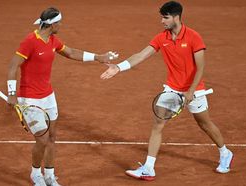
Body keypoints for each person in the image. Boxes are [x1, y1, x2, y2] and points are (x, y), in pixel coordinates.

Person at [100, 1, 233, 181]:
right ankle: (149, 168)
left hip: (194, 90)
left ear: (176, 17)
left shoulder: (194, 37)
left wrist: (190, 91)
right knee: (158, 124)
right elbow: (140, 55)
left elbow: (200, 68)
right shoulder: (161, 38)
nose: (162, 21)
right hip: (172, 90)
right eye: (162, 17)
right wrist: (119, 67)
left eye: (165, 17)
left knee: (204, 124)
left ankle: (225, 153)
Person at [7, 7, 118, 186]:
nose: (61, 25)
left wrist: (98, 57)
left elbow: (71, 52)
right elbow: (12, 66)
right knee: (42, 139)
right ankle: (36, 174)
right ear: (52, 24)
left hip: (48, 96)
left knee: (51, 137)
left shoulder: (52, 40)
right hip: (30, 98)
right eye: (59, 22)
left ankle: (50, 176)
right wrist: (12, 94)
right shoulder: (30, 41)